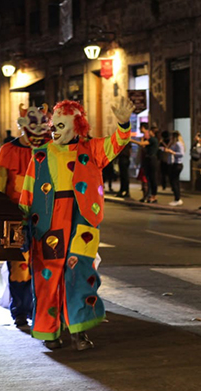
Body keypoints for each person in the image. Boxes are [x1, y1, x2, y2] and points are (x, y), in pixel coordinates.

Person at [19, 96, 134, 351]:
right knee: (47, 274)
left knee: (80, 273)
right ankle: (49, 332)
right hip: (47, 219)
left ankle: (79, 331)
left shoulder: (91, 150)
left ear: (77, 127)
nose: (54, 130)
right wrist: (20, 221)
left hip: (82, 218)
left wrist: (124, 124)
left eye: (61, 126)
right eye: (54, 125)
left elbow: (117, 143)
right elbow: (28, 190)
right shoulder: (40, 154)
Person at [0, 104, 51, 327]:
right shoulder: (8, 150)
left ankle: (43, 308)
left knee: (46, 265)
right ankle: (21, 310)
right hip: (18, 218)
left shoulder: (50, 149)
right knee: (20, 267)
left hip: (46, 217)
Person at [132, 123, 159, 203]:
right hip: (149, 159)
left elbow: (141, 144)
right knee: (149, 178)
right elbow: (143, 146)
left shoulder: (153, 139)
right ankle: (150, 195)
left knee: (152, 178)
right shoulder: (151, 139)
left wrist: (131, 140)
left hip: (152, 159)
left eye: (149, 131)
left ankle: (154, 195)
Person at [163, 131, 185, 206]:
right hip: (174, 164)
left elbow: (181, 154)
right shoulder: (174, 143)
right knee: (175, 181)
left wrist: (172, 152)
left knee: (174, 181)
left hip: (177, 164)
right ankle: (177, 198)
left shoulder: (178, 144)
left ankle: (177, 199)